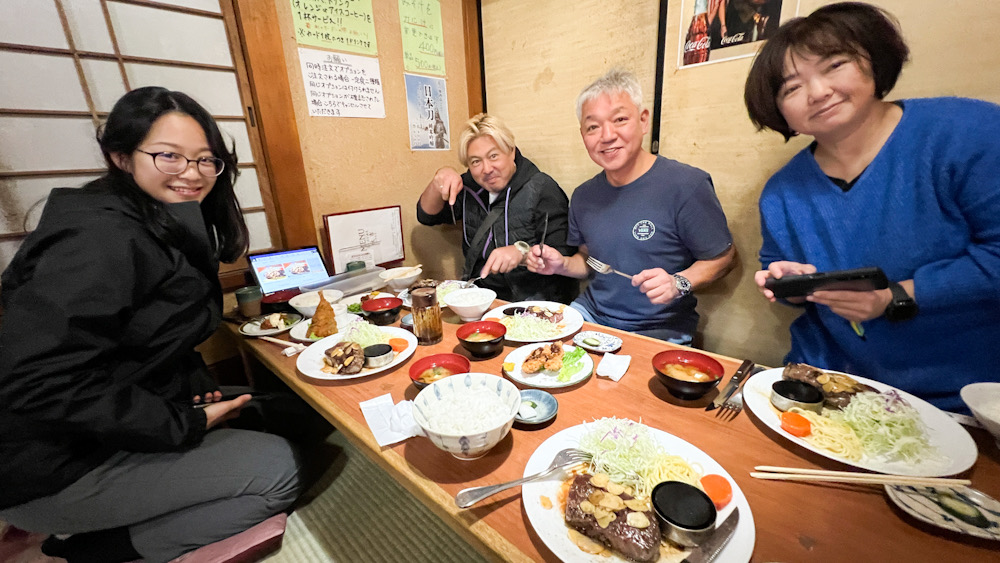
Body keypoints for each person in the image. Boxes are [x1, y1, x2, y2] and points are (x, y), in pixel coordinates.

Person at [0, 87, 303, 563]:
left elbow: (146, 335)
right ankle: (88, 548)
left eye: (206, 160)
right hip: (51, 465)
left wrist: (194, 385)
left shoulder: (157, 220)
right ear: (121, 157)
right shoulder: (97, 238)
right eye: (169, 156)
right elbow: (38, 381)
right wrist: (184, 421)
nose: (192, 173)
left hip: (111, 422)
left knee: (291, 416)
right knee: (281, 470)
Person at [744, 2, 1000, 412]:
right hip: (825, 383)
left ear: (873, 60)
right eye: (792, 87)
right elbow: (779, 273)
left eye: (834, 65)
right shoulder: (781, 192)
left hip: (963, 396)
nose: (818, 91)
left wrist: (896, 295)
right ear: (780, 111)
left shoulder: (970, 132)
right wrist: (785, 281)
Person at [527, 69, 736, 344]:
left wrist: (678, 283)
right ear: (583, 135)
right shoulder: (583, 196)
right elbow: (590, 262)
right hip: (590, 316)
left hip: (661, 328)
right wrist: (562, 264)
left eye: (620, 119)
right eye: (593, 127)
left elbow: (723, 258)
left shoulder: (686, 185)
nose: (607, 135)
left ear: (643, 120)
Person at [417, 113, 578, 303]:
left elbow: (563, 255)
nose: (486, 169)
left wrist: (522, 253)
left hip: (533, 301)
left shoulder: (542, 189)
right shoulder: (469, 186)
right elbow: (426, 216)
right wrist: (439, 180)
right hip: (481, 298)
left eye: (493, 156)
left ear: (511, 151)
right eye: (476, 161)